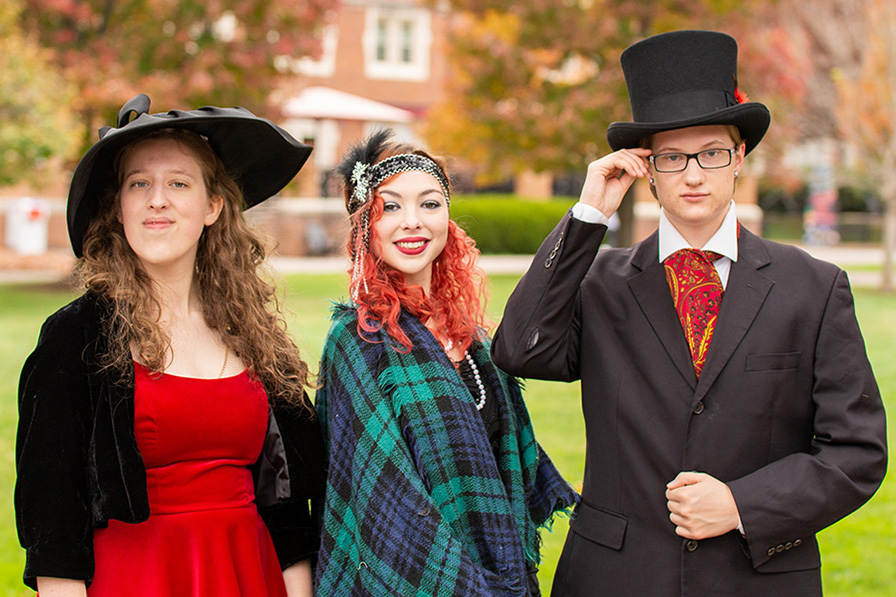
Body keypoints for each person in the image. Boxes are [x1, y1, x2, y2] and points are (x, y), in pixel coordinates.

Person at [491, 30, 887, 596]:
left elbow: (857, 451)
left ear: (739, 158)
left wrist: (740, 504)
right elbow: (519, 348)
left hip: (757, 580)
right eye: (672, 157)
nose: (694, 174)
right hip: (616, 578)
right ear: (646, 169)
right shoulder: (599, 283)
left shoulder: (815, 288)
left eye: (712, 153)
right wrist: (588, 215)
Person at [15, 94, 327, 596]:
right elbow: (53, 527)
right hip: (136, 578)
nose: (156, 199)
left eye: (178, 183)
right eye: (139, 184)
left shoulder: (252, 332)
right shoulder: (76, 337)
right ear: (119, 207)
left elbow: (287, 505)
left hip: (249, 575)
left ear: (212, 206)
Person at [314, 130, 578, 596]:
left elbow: (510, 464)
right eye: (389, 206)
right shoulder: (356, 343)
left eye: (430, 204)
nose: (412, 222)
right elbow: (389, 512)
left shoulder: (473, 338)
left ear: (449, 218)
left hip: (508, 576)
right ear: (364, 226)